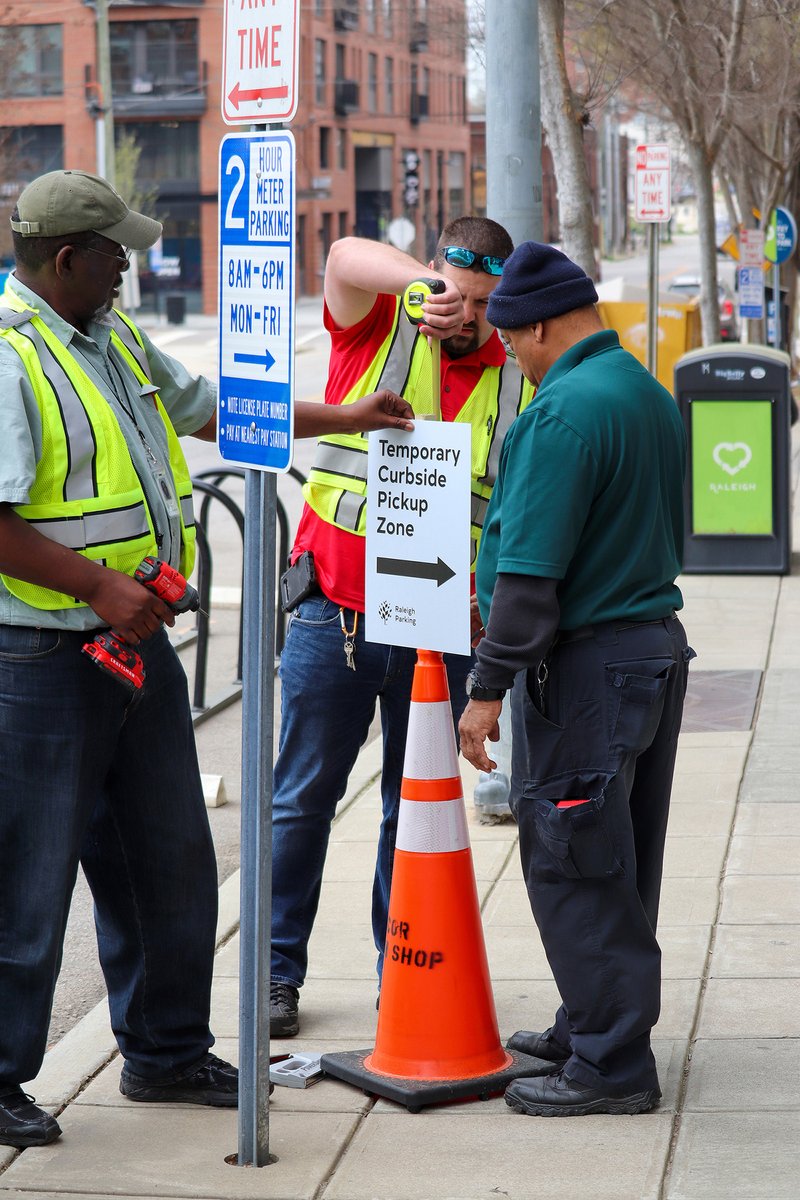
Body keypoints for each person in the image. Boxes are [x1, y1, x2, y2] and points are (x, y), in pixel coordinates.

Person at [0, 168, 413, 1152]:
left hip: (132, 651)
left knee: (169, 858)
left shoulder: (110, 338)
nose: (128, 268)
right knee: (26, 877)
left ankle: (166, 1048)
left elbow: (218, 411)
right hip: (44, 661)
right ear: (66, 259)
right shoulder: (10, 356)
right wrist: (97, 586)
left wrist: (347, 416)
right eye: (114, 254)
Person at [270, 218, 534, 1037]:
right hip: (336, 614)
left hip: (440, 628)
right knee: (301, 800)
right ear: (427, 277)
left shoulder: (515, 378)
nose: (470, 317)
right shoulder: (381, 323)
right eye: (457, 294)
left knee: (410, 806)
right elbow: (343, 257)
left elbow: (506, 512)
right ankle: (275, 973)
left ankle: (404, 970)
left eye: (487, 303)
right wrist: (422, 288)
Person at [459, 241, 694, 1118]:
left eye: (512, 338)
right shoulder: (642, 390)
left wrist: (485, 691)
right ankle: (593, 1020)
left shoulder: (558, 417)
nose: (510, 355)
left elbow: (527, 581)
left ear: (546, 326)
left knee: (574, 859)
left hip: (589, 666)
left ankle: (610, 1064)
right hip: (648, 651)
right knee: (617, 850)